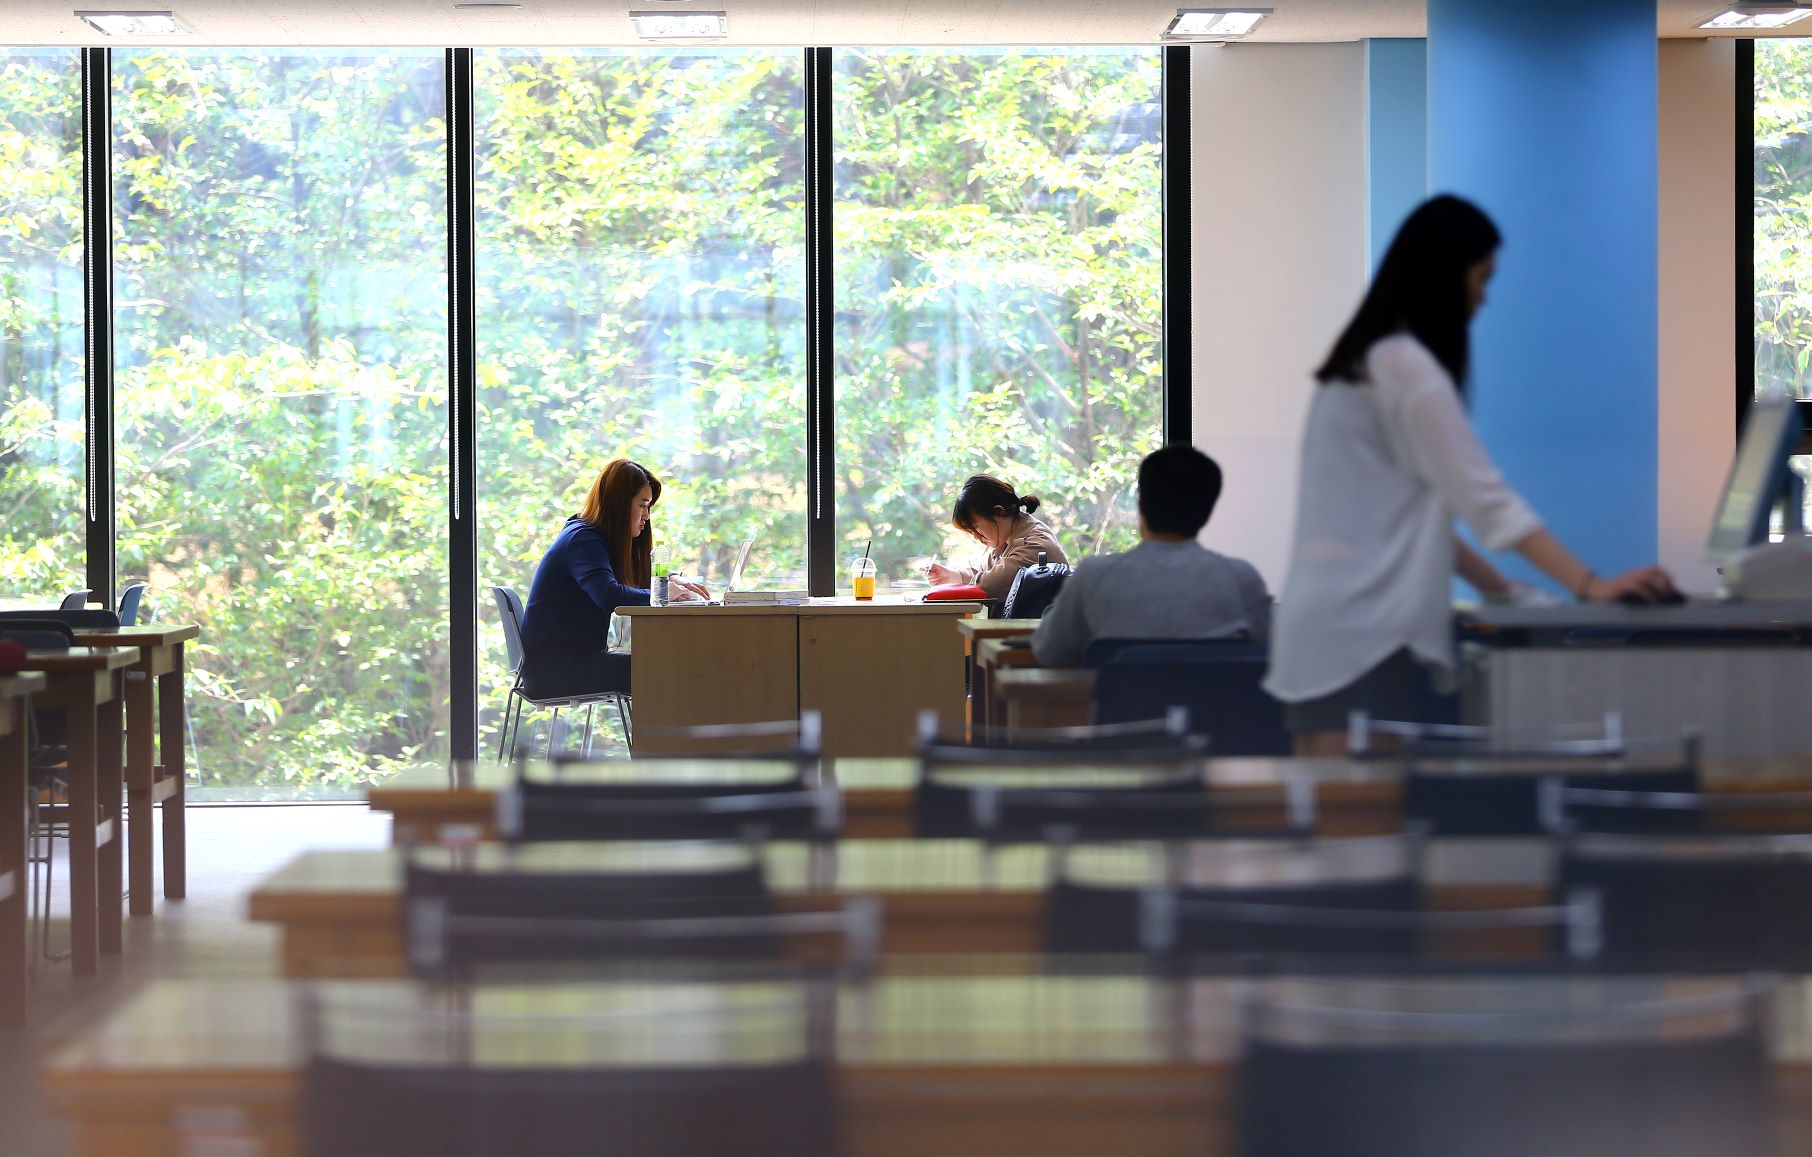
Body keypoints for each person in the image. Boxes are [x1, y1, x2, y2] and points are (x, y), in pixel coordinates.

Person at [1264, 195, 1676, 755]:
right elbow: (1487, 502)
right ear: (1443, 275)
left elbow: (1411, 524)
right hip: (1364, 639)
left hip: (1326, 633)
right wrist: (1591, 586)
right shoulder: (1405, 367)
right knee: (1358, 809)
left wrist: (1501, 590)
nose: (1483, 297)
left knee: (1326, 802)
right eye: (1481, 278)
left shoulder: (1364, 362)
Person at [1032, 446, 1270, 668]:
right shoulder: (1242, 579)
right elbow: (1271, 654)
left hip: (1121, 701)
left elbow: (1048, 652)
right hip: (1215, 702)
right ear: (1208, 513)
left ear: (1141, 506)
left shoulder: (1093, 576)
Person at [517, 459, 708, 699]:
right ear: (619, 505)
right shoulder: (583, 539)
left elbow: (631, 574)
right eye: (642, 505)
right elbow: (609, 595)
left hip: (559, 665)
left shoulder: (589, 536)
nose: (647, 516)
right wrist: (662, 593)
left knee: (662, 665)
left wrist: (671, 578)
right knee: (665, 668)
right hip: (555, 671)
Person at [924, 475, 1068, 601]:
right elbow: (983, 571)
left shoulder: (1035, 545)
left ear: (999, 512)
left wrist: (952, 581)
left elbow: (989, 585)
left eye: (976, 528)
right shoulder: (1009, 538)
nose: (976, 536)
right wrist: (950, 575)